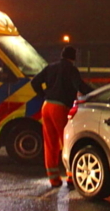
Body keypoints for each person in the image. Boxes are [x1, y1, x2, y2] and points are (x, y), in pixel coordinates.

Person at [31, 46, 96, 187]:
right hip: (61, 108)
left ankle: (53, 179)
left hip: (46, 106)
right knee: (68, 142)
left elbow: (34, 82)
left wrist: (44, 95)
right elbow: (80, 86)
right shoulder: (71, 69)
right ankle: (71, 177)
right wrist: (96, 94)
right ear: (73, 58)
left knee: (50, 143)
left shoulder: (51, 67)